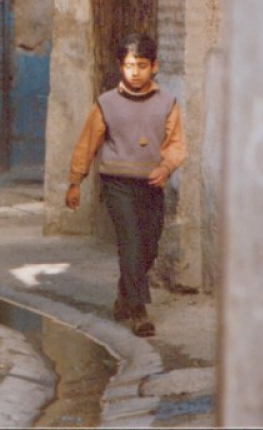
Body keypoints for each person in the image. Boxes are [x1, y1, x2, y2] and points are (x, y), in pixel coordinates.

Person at [65, 33, 186, 337]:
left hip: (152, 184)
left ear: (154, 66)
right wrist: (75, 181)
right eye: (129, 65)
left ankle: (124, 294)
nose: (135, 72)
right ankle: (138, 310)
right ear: (121, 66)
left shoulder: (167, 103)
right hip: (117, 183)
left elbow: (176, 144)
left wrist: (166, 167)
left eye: (142, 65)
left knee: (148, 246)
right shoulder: (106, 104)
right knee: (130, 242)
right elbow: (87, 144)